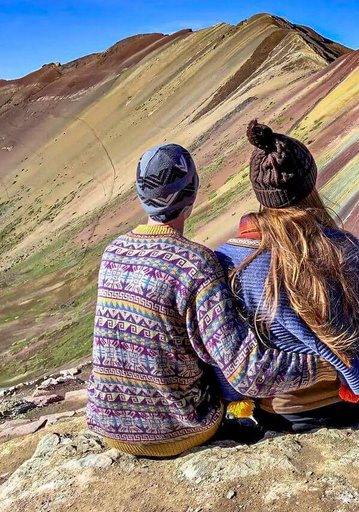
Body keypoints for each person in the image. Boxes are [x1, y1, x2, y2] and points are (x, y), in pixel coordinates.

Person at [87, 143, 331, 457]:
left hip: (108, 428)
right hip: (177, 431)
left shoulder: (113, 252)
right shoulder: (196, 263)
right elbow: (245, 371)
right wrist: (322, 366)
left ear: (140, 193)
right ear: (191, 195)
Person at [215, 121, 359, 432]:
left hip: (276, 412)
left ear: (258, 191)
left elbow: (224, 344)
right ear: (309, 184)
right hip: (350, 404)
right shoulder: (343, 246)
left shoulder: (228, 260)